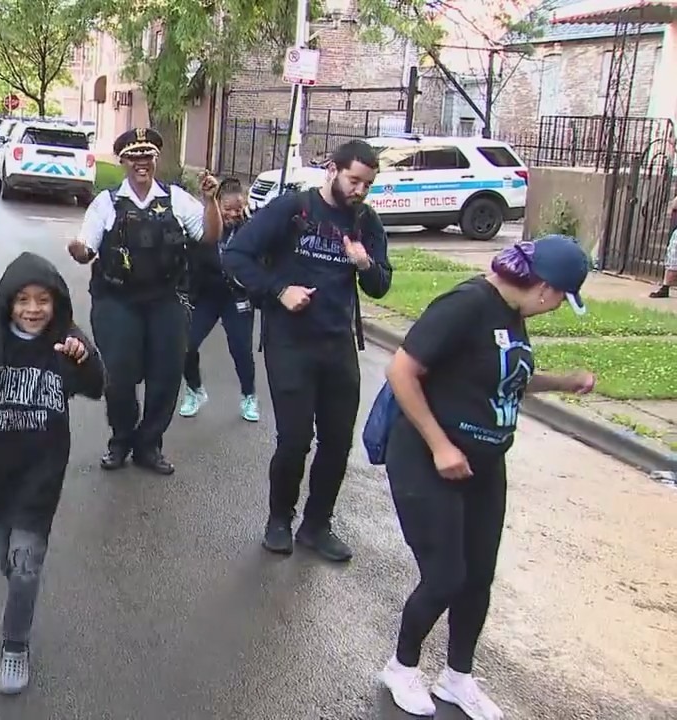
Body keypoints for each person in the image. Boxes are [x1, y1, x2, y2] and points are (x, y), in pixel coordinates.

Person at [376, 236, 593, 720]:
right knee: (445, 576)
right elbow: (400, 371)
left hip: (485, 465)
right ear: (543, 287)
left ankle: (458, 678)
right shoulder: (466, 305)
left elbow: (501, 372)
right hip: (427, 461)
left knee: (478, 578)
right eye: (562, 297)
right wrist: (440, 446)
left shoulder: (513, 314)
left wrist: (563, 381)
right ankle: (401, 667)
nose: (558, 308)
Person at [0, 251, 104, 696]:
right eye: (23, 300)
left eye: (43, 300)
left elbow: (96, 384)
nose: (33, 309)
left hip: (42, 476)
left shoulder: (65, 338)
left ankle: (15, 644)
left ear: (57, 303)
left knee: (25, 565)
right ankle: (20, 586)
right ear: (8, 303)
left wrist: (83, 358)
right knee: (5, 561)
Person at [223, 139, 393, 562]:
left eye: (368, 185)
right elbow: (237, 256)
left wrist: (364, 263)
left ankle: (317, 525)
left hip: (338, 345)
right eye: (355, 180)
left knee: (337, 442)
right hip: (290, 341)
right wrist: (279, 290)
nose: (360, 191)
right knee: (295, 439)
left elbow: (381, 284)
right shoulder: (292, 210)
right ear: (332, 170)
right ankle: (279, 519)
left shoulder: (366, 222)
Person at [68, 127, 222, 475]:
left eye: (147, 156)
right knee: (119, 376)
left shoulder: (176, 199)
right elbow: (86, 248)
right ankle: (121, 439)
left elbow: (209, 236)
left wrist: (210, 201)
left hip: (166, 300)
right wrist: (78, 250)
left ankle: (149, 444)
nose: (141, 163)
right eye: (134, 157)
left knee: (166, 376)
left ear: (155, 160)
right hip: (117, 300)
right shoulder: (106, 203)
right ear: (123, 161)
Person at [177, 177, 259, 422]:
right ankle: (195, 390)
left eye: (238, 208)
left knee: (241, 349)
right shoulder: (204, 225)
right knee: (186, 345)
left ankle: (249, 396)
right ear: (217, 205)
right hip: (207, 295)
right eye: (228, 209)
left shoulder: (251, 229)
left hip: (237, 297)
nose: (233, 214)